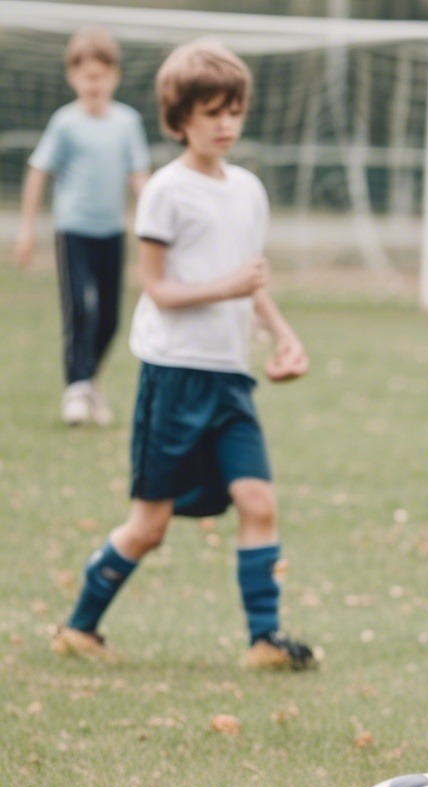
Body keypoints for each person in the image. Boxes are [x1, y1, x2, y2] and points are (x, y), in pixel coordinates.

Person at [52, 38, 316, 671]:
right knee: (149, 526)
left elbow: (251, 282)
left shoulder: (249, 190)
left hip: (231, 380)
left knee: (259, 503)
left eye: (234, 111)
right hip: (173, 378)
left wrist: (284, 335)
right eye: (211, 112)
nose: (225, 123)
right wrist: (226, 288)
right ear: (179, 120)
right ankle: (79, 627)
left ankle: (264, 641)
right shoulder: (166, 191)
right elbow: (160, 290)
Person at [15, 27, 150, 426]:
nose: (95, 83)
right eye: (87, 75)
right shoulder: (65, 123)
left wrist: (155, 225)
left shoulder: (127, 123)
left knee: (109, 318)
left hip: (111, 232)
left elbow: (139, 177)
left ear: (115, 76)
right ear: (73, 77)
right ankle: (76, 390)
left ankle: (90, 383)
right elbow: (38, 172)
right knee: (81, 311)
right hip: (72, 230)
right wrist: (26, 229)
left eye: (102, 75)